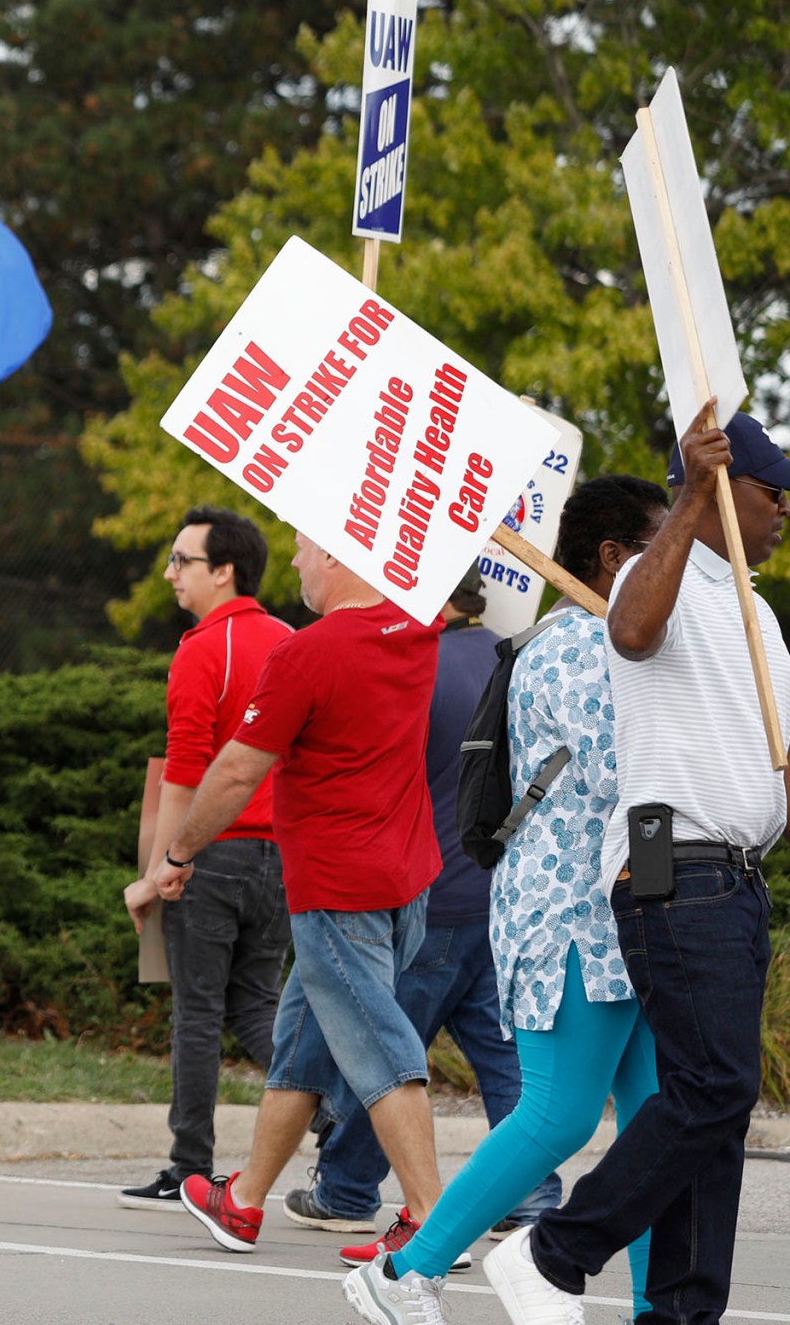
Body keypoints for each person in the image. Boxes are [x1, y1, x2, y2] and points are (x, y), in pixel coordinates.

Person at [484, 410, 790, 1325]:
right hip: (672, 866)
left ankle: (681, 1311)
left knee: (715, 1106)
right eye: (772, 494)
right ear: (722, 491)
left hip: (734, 875)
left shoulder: (755, 611)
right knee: (712, 1086)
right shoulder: (653, 582)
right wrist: (691, 495)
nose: (782, 513)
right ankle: (553, 1251)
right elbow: (633, 634)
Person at [344, 476, 668, 1325]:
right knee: (558, 1117)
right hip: (565, 918)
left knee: (655, 1132)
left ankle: (655, 1309)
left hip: (625, 917)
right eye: (660, 542)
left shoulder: (618, 642)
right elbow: (622, 776)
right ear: (611, 557)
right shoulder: (572, 647)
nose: (678, 561)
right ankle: (405, 1271)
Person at [148, 532, 445, 1258]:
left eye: (305, 549)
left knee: (381, 1050)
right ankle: (244, 1202)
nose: (294, 564)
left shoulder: (308, 652)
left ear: (344, 556)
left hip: (337, 890)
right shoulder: (417, 626)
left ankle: (432, 1221)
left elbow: (234, 773)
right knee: (301, 1049)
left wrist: (178, 852)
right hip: (404, 882)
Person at [300, 571, 556, 1261]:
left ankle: (348, 1190)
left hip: (428, 888)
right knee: (501, 1055)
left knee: (385, 1053)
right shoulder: (515, 657)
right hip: (497, 889)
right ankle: (532, 1197)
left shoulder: (417, 664)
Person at [118, 506, 292, 1209]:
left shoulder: (201, 648)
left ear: (223, 572)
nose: (169, 574)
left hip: (211, 852)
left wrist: (161, 868)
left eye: (181, 561)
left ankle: (188, 1167)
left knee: (196, 1013)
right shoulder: (291, 640)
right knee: (258, 1006)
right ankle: (341, 1117)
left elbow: (187, 771)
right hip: (282, 857)